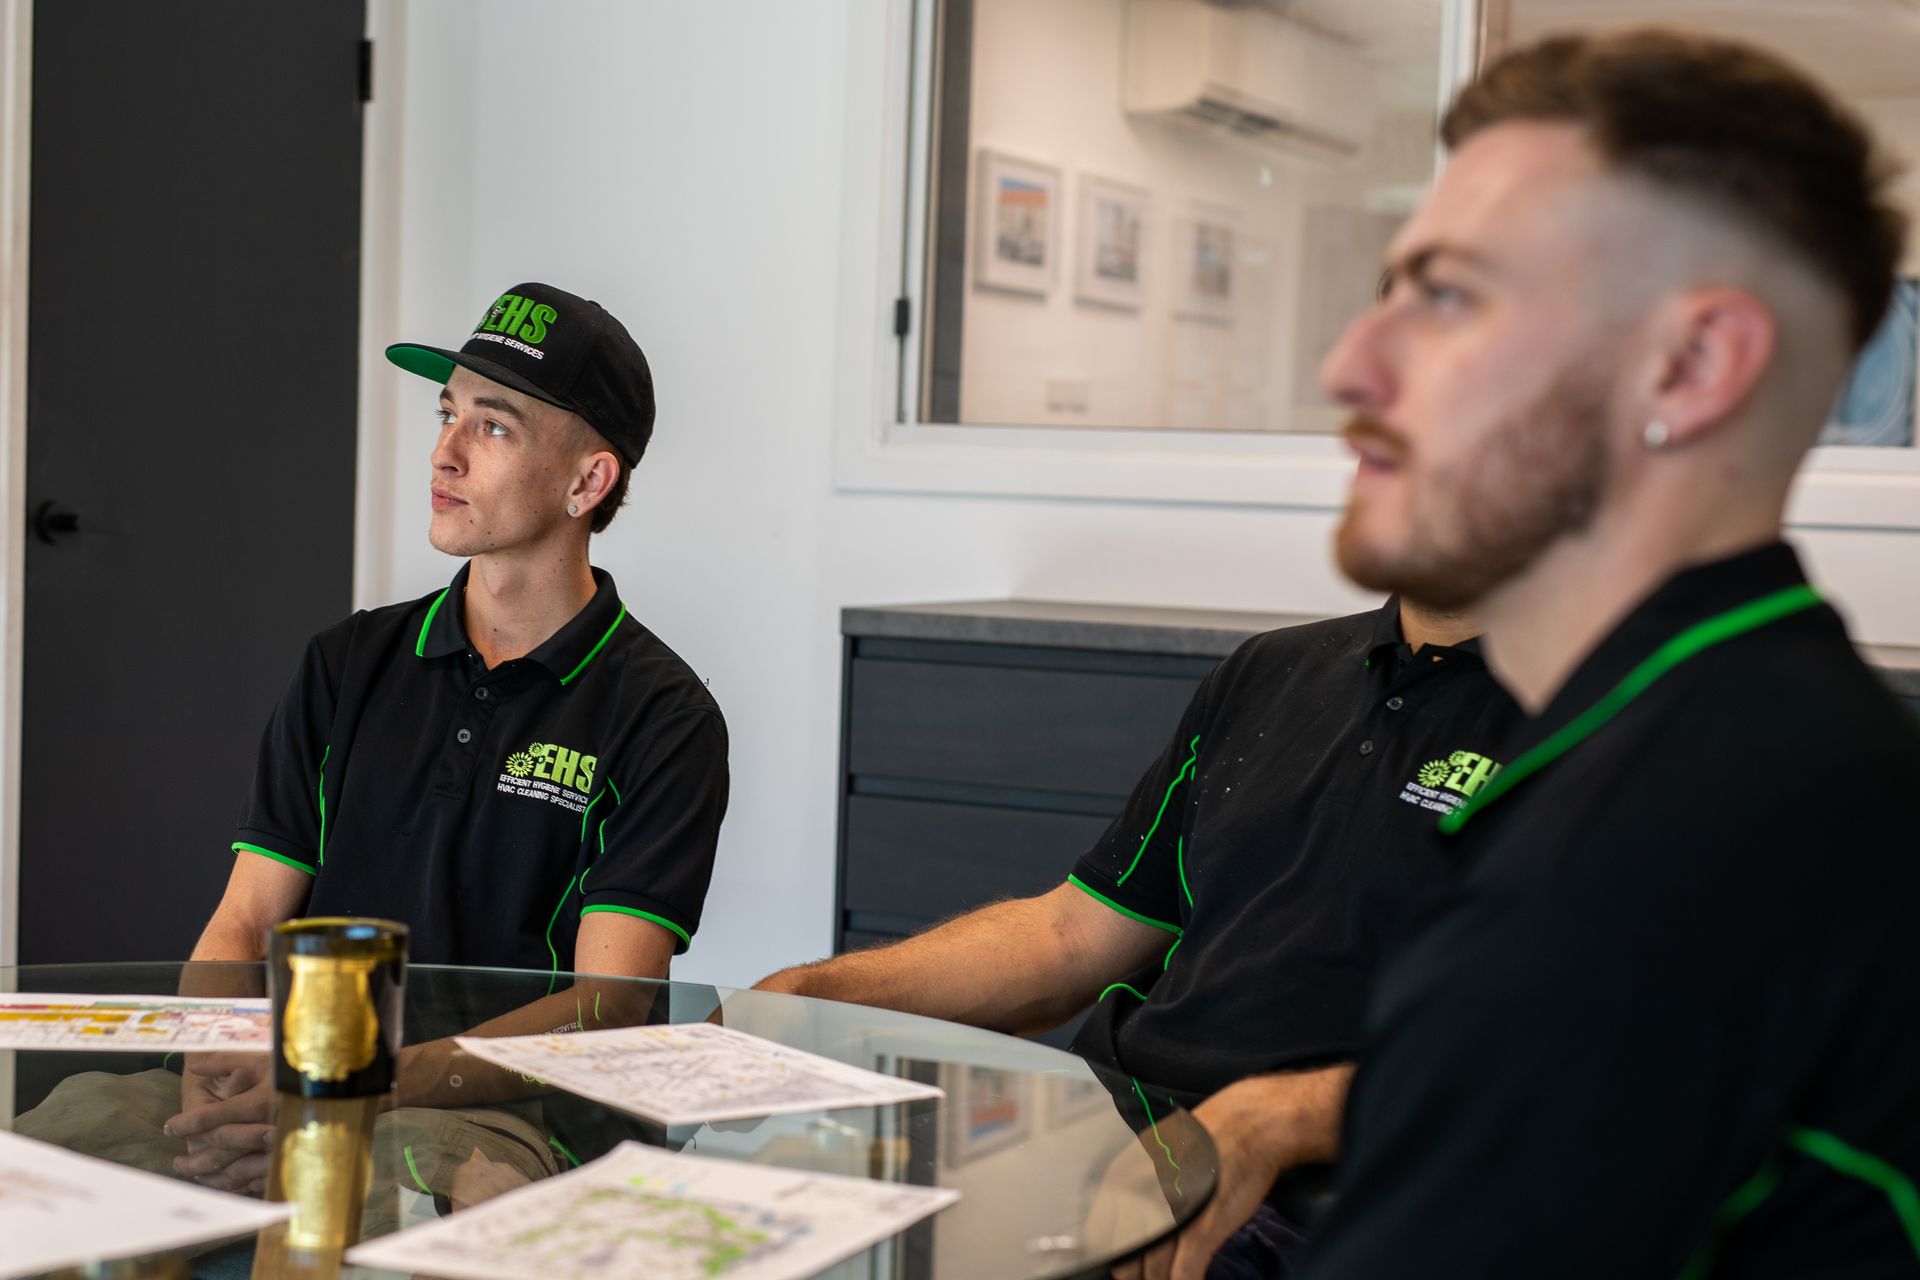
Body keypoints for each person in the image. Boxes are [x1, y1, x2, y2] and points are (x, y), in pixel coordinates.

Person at [1297, 29, 1920, 1278]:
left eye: (1451, 295)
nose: (1348, 366)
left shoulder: (1638, 876)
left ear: (1689, 368)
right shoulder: (1777, 738)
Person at [28, 283, 729, 1201]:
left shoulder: (664, 716)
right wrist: (213, 1058)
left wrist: (352, 1087)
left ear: (587, 482)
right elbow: (245, 919)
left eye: (496, 426)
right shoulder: (347, 663)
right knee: (46, 1147)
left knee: (384, 1205)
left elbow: (609, 1009)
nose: (444, 452)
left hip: (499, 1119)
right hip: (293, 1078)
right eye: (448, 414)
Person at [756, 596, 1521, 1277]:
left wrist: (1273, 1118)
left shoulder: (1603, 728)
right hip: (1107, 1135)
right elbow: (1071, 936)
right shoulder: (1272, 668)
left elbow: (1579, 1054)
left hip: (1322, 1202)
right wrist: (812, 993)